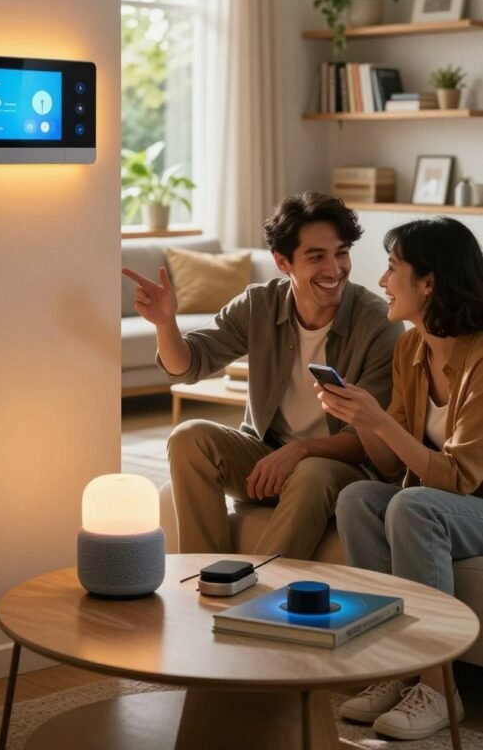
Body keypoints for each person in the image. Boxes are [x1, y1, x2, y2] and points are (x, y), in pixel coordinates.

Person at [123, 191, 403, 558]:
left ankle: (261, 583)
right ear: (282, 262)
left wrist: (300, 451)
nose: (334, 269)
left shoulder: (378, 323)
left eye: (341, 253)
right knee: (188, 437)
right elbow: (188, 365)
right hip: (266, 458)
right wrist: (165, 323)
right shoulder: (259, 305)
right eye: (316, 257)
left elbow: (370, 438)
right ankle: (206, 574)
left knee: (312, 472)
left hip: (339, 467)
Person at [319, 217, 483, 741]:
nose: (382, 281)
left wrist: (381, 421)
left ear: (428, 282)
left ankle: (438, 689)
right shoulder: (410, 349)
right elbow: (392, 467)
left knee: (413, 506)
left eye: (393, 268)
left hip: (473, 501)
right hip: (441, 498)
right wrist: (362, 420)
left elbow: (459, 478)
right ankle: (394, 667)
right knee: (358, 498)